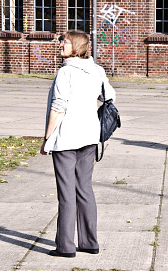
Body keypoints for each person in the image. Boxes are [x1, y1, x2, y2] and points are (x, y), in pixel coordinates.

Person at [40, 30, 116, 258]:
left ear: (76, 46)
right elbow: (109, 96)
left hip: (66, 139)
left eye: (65, 42)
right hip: (89, 137)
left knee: (66, 194)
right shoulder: (97, 70)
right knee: (85, 190)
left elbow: (58, 107)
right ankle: (90, 242)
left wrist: (46, 139)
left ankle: (65, 247)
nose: (60, 44)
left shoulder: (66, 73)